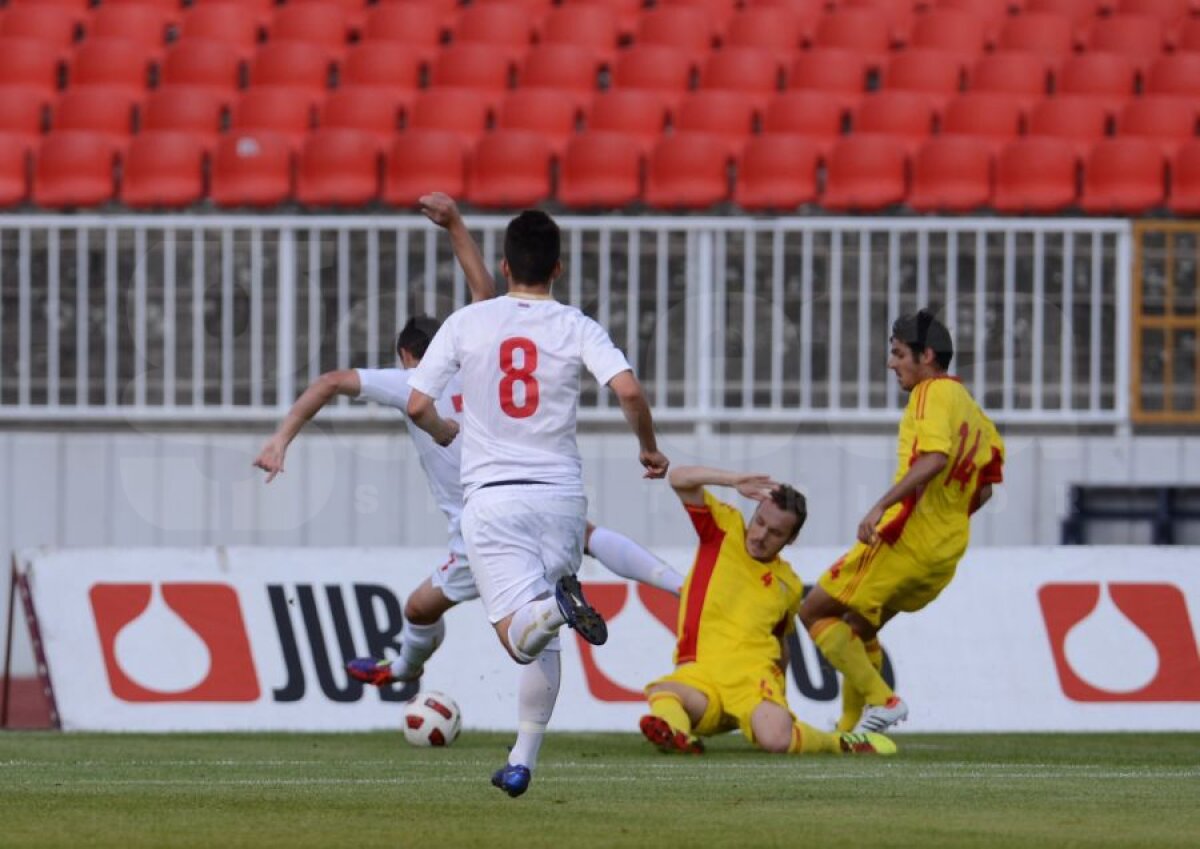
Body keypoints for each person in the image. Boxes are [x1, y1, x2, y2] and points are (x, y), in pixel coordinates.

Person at [253, 194, 684, 693]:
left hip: (479, 520)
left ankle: (403, 671)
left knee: (427, 611)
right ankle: (682, 587)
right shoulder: (480, 343)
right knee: (585, 536)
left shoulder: (410, 380)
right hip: (539, 487)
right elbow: (485, 291)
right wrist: (456, 223)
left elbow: (330, 380)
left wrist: (281, 439)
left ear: (406, 354)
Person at [405, 207, 668, 798]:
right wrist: (649, 449)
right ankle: (522, 759)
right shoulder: (574, 324)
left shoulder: (469, 321)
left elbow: (419, 405)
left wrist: (445, 431)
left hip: (494, 500)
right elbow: (627, 388)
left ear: (503, 266)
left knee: (521, 634)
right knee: (540, 644)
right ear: (558, 268)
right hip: (561, 498)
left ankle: (556, 608)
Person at [799, 307, 1005, 735]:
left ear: (925, 355)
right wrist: (944, 519)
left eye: (897, 353)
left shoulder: (930, 393)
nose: (891, 363)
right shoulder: (973, 410)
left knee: (814, 611)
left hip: (902, 539)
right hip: (944, 554)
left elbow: (934, 457)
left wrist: (879, 507)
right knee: (858, 627)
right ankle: (853, 730)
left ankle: (884, 702)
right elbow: (985, 487)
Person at [638, 464, 896, 757]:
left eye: (775, 532)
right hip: (700, 676)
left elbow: (781, 644)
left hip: (753, 680)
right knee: (664, 692)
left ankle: (838, 742)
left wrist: (779, 702)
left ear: (791, 539)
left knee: (775, 740)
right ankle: (678, 738)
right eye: (759, 522)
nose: (760, 535)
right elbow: (678, 478)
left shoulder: (789, 584)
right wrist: (732, 480)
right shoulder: (723, 530)